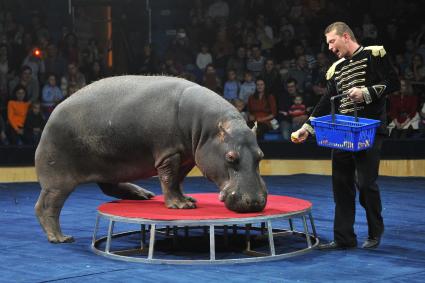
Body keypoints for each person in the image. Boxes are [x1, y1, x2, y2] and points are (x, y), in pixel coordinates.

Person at [291, 22, 400, 250]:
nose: (330, 47)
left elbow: (393, 82)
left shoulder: (374, 55)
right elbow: (324, 102)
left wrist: (366, 92)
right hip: (342, 132)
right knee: (340, 185)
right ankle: (344, 238)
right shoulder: (336, 69)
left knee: (366, 183)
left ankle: (374, 232)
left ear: (346, 36)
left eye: (332, 41)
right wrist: (307, 128)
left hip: (369, 130)